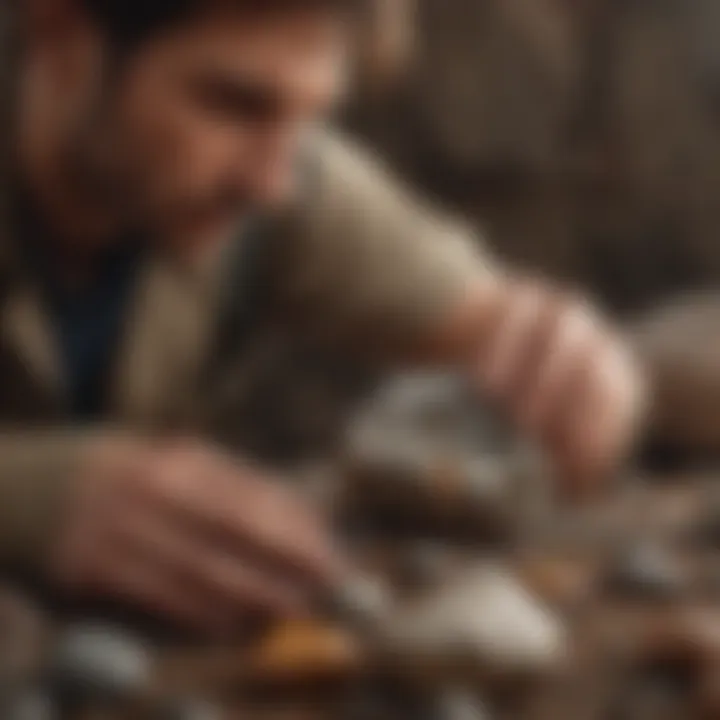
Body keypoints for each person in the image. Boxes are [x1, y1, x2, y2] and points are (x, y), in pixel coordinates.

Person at [0, 0, 643, 635]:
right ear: (61, 38)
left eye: (307, 118)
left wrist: (584, 367)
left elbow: (503, 323)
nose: (271, 186)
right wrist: (31, 497)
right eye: (234, 104)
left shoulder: (272, 173)